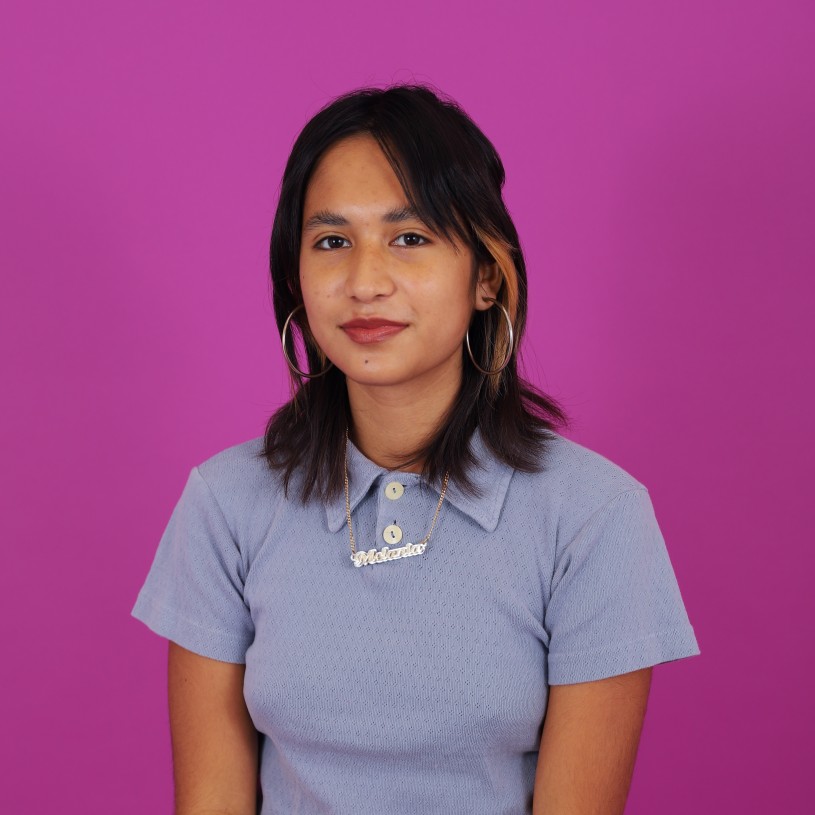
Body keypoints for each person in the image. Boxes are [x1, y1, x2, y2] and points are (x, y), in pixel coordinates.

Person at [132, 83, 700, 815]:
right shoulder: (225, 502)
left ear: (486, 278)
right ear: (296, 281)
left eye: (410, 237)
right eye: (332, 241)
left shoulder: (593, 517)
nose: (365, 282)